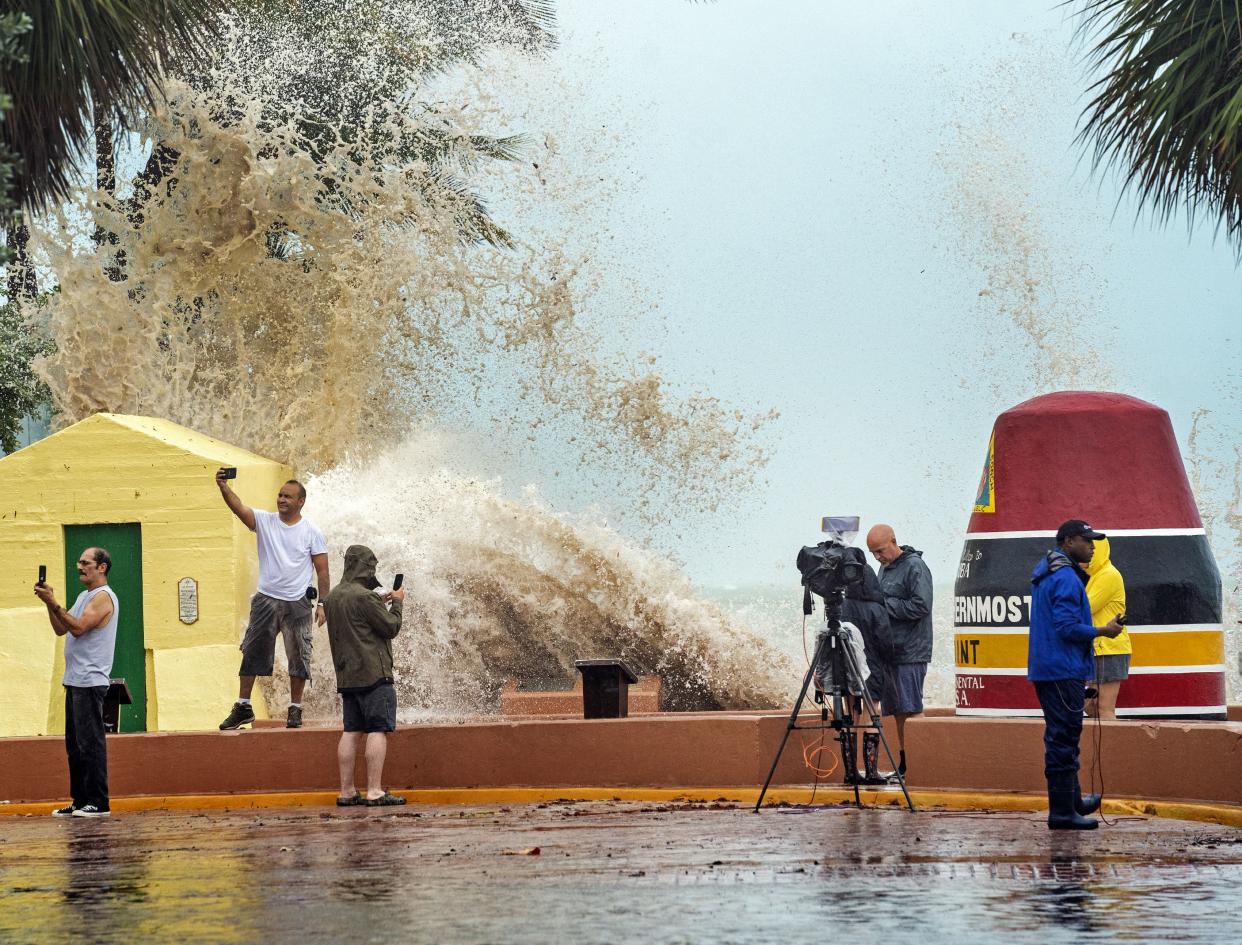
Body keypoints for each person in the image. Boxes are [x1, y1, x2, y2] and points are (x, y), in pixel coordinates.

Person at [1028, 520, 1125, 830]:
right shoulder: (1067, 579)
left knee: (1063, 735)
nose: (1092, 546)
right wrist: (1104, 631)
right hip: (1062, 669)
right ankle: (1061, 813)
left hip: (1048, 668)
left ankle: (1072, 801)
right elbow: (1068, 628)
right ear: (1069, 542)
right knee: (1063, 739)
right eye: (1087, 540)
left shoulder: (1048, 571)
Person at [217, 471, 329, 730]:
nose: (281, 500)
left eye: (288, 497)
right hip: (266, 599)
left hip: (298, 603)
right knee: (252, 652)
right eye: (279, 495)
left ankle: (295, 709)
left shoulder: (312, 531)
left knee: (299, 655)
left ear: (301, 502)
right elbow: (239, 508)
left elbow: (322, 570)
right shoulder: (265, 521)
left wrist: (323, 603)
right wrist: (223, 487)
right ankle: (243, 706)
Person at [34, 548, 119, 818]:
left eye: (85, 563)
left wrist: (55, 603)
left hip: (90, 680)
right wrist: (50, 603)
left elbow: (79, 627)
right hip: (74, 680)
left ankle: (98, 802)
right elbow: (62, 628)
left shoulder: (104, 597)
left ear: (102, 567)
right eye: (79, 562)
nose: (79, 566)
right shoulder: (84, 596)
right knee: (74, 745)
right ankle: (81, 800)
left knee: (90, 742)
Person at [324, 545, 406, 806]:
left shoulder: (333, 597)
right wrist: (398, 603)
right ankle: (374, 791)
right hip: (374, 674)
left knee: (350, 731)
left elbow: (356, 620)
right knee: (377, 730)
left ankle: (346, 791)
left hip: (348, 676)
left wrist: (377, 604)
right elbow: (391, 627)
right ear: (367, 567)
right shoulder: (366, 597)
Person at [866, 523, 932, 777]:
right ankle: (906, 765)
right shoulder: (885, 568)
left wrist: (883, 606)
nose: (877, 557)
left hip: (911, 650)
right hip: (890, 650)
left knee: (912, 708)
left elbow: (921, 605)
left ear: (894, 541)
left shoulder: (915, 566)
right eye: (873, 553)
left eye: (880, 551)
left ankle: (922, 766)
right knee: (898, 711)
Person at [1084, 537, 1129, 719]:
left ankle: (1112, 748)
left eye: (1089, 548)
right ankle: (1098, 747)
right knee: (1091, 706)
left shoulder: (1108, 575)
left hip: (1109, 649)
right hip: (1095, 648)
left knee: (1104, 708)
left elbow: (1085, 606)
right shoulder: (1093, 576)